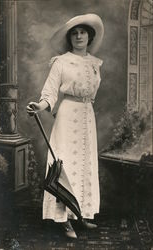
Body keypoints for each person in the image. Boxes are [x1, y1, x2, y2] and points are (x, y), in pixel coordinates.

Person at [27, 13, 104, 239]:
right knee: (66, 165)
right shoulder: (61, 62)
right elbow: (50, 92)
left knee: (85, 164)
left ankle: (82, 215)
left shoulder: (95, 64)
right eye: (74, 33)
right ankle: (64, 220)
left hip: (87, 116)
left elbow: (92, 94)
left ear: (89, 37)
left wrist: (85, 106)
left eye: (83, 33)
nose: (79, 36)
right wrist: (39, 106)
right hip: (68, 115)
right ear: (70, 38)